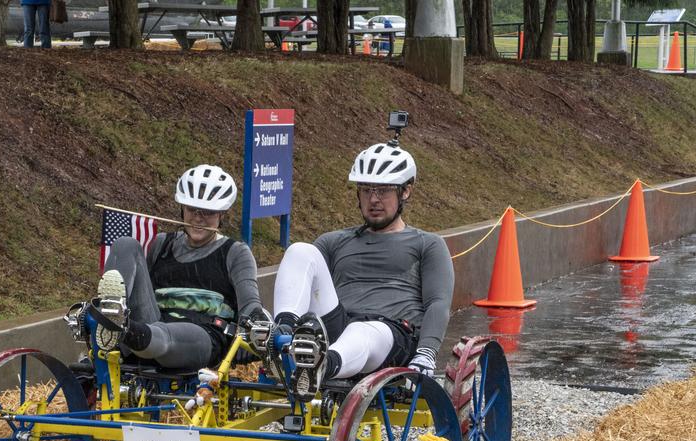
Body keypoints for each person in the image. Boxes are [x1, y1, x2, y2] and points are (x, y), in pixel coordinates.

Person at [264, 141, 454, 400]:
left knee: (362, 332)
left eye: (384, 191)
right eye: (365, 190)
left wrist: (427, 352)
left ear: (405, 191)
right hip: (339, 326)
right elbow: (312, 291)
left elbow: (438, 303)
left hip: (393, 335)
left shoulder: (427, 244)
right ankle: (282, 339)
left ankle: (318, 368)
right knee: (300, 250)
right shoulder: (334, 241)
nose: (373, 199)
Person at [85, 165, 262, 372]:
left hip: (202, 336)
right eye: (191, 209)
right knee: (126, 244)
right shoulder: (161, 244)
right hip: (150, 327)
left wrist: (254, 330)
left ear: (221, 214)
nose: (198, 218)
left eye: (208, 212)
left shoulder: (236, 252)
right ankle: (111, 316)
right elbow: (143, 296)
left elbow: (250, 305)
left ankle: (121, 330)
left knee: (163, 334)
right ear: (182, 209)